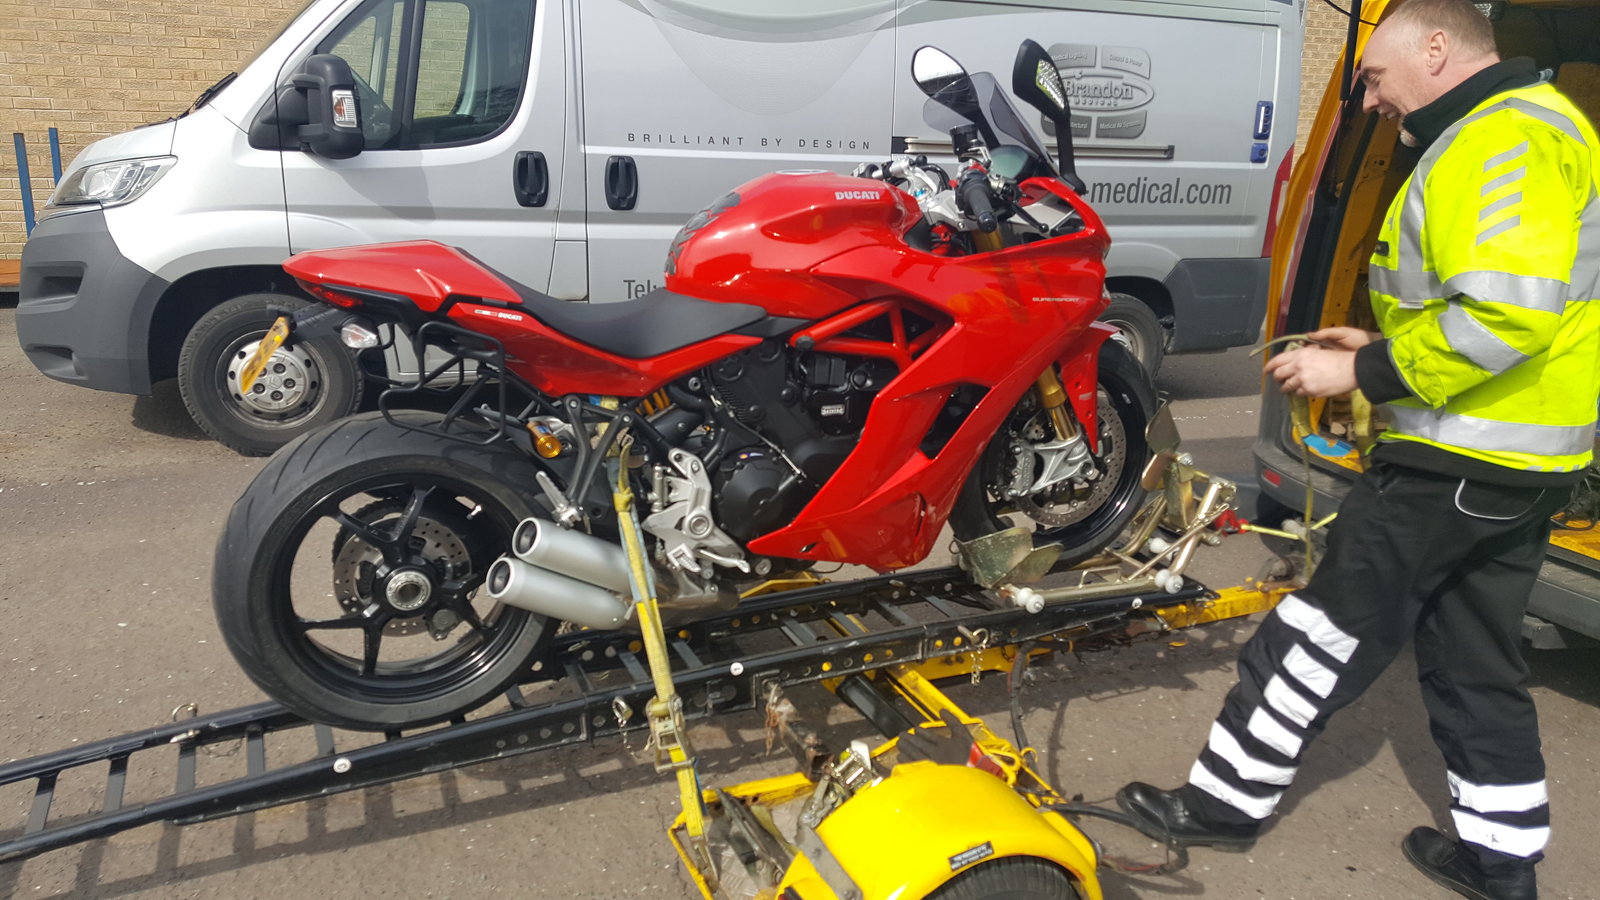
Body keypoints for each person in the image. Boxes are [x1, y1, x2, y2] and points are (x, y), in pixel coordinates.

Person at [1113, 1, 1600, 898]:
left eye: (1374, 76)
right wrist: (1373, 343)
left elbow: (1508, 317)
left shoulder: (1499, 139)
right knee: (1475, 660)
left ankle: (1222, 805)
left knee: (1319, 632)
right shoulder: (1540, 122)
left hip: (1458, 457)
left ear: (1438, 48)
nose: (1369, 100)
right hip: (1520, 461)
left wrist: (1363, 371)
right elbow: (1500, 303)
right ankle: (1500, 861)